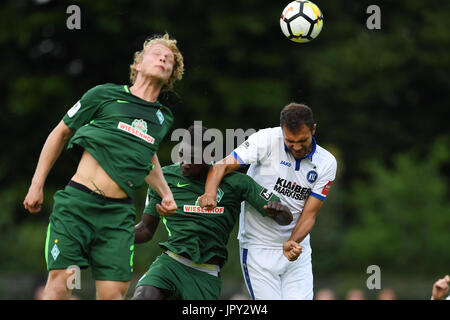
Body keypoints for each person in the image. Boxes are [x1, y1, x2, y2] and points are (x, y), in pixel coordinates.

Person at [23, 33, 184, 300]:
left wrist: (166, 193)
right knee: (61, 285)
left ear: (170, 76)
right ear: (138, 65)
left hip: (117, 215)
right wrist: (36, 184)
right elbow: (60, 133)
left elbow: (147, 154)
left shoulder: (162, 117)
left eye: (169, 60)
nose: (164, 58)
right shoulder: (104, 95)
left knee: (112, 295)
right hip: (77, 204)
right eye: (157, 54)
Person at [131, 125, 293, 300]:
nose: (184, 162)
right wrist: (110, 233)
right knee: (144, 296)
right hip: (170, 264)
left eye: (192, 158)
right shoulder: (164, 178)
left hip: (206, 273)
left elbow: (285, 218)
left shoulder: (237, 182)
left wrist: (279, 211)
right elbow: (145, 230)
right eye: (181, 154)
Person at [198, 103, 337, 300]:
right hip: (258, 247)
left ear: (313, 129)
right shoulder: (265, 139)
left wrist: (292, 242)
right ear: (282, 130)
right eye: (290, 141)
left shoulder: (327, 162)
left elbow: (309, 214)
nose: (297, 147)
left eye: (303, 141)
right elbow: (221, 166)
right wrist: (210, 194)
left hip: (296, 250)